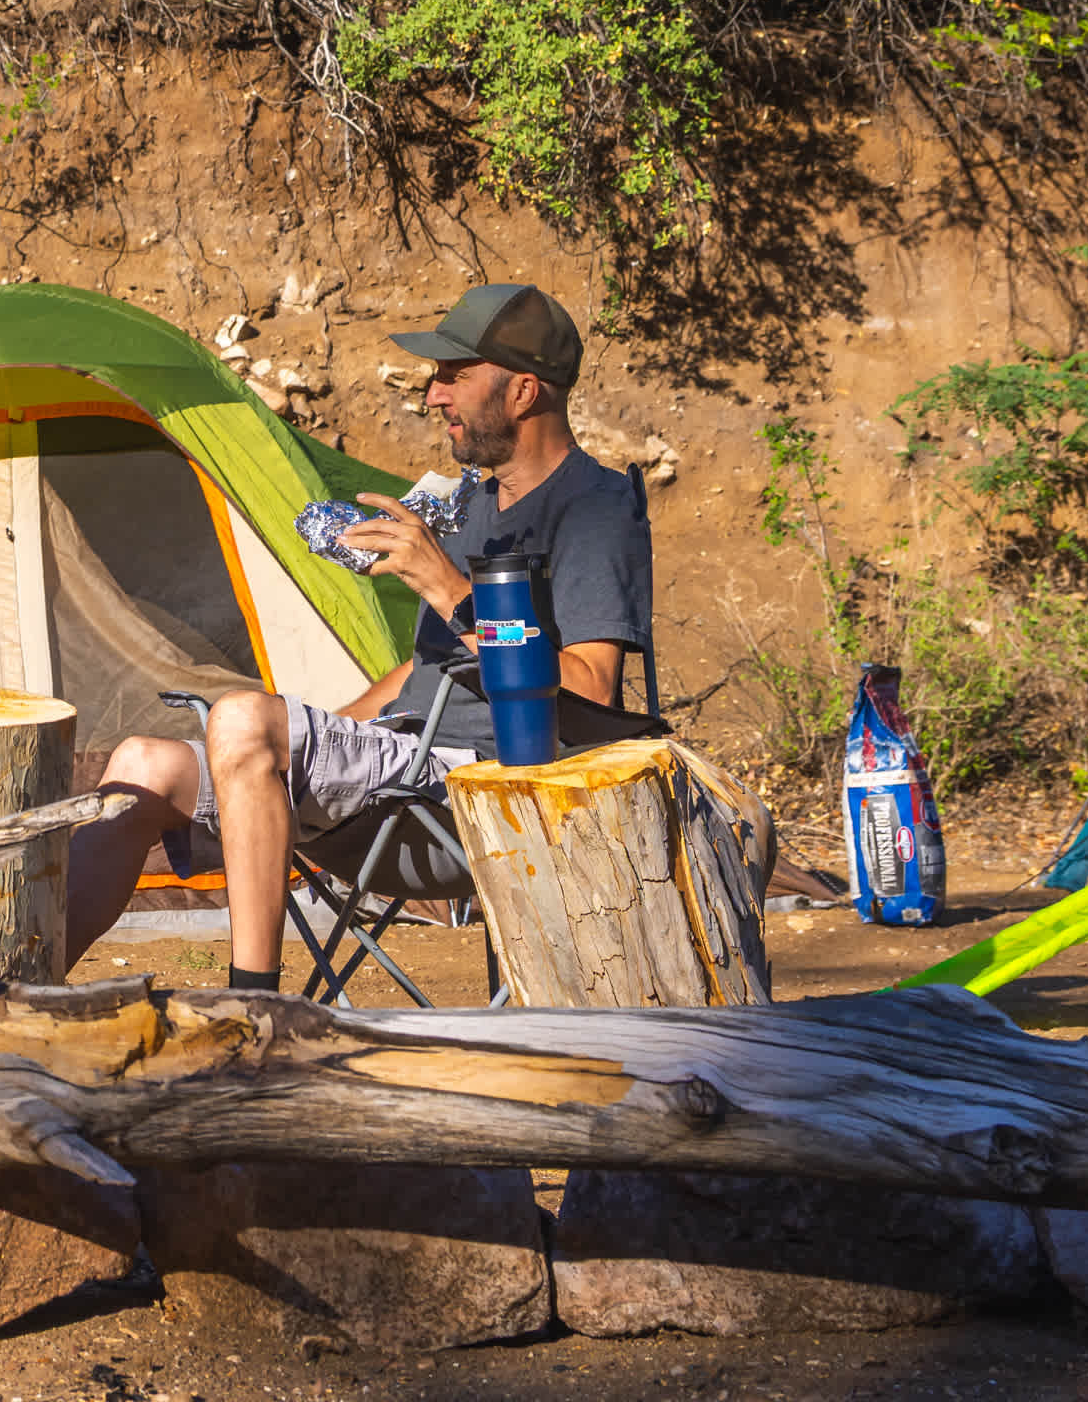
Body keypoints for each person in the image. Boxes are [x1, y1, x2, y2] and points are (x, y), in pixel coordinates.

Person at [62, 281, 653, 988]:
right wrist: (310, 736)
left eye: (455, 376)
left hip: (476, 792)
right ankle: (16, 990)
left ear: (524, 391)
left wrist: (447, 587)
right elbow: (426, 670)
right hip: (396, 775)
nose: (433, 395)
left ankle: (255, 1006)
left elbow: (590, 690)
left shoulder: (594, 509)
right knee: (141, 766)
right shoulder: (475, 503)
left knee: (245, 717)